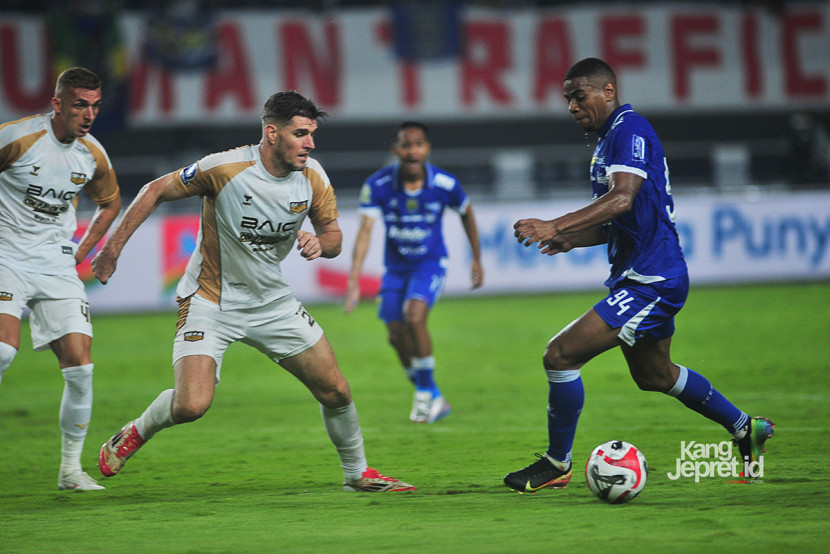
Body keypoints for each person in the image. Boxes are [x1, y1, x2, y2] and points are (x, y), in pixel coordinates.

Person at [91, 91, 414, 492]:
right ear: (272, 133)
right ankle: (136, 431)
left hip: (272, 303)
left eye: (312, 134)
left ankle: (357, 474)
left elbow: (334, 237)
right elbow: (155, 190)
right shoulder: (224, 168)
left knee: (335, 390)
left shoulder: (313, 176)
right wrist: (112, 250)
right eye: (301, 134)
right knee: (192, 405)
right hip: (210, 300)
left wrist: (321, 243)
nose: (310, 143)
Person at [503, 58, 774, 493]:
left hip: (652, 278)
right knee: (656, 376)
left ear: (608, 91)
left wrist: (557, 224)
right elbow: (618, 219)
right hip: (644, 275)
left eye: (579, 95)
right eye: (568, 99)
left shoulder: (629, 129)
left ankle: (557, 463)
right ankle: (747, 428)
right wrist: (574, 238)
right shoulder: (608, 141)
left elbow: (622, 198)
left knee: (559, 355)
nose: (572, 106)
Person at [0, 67, 122, 491]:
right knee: (1, 351)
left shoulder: (92, 153)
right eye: (79, 105)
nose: (88, 115)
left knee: (81, 367)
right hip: (5, 257)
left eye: (94, 106)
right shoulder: (16, 138)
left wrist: (80, 253)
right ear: (57, 104)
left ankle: (71, 471)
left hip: (55, 264)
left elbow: (109, 203)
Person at [344, 121, 483, 423]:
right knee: (396, 336)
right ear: (396, 149)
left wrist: (476, 258)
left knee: (414, 315)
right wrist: (354, 278)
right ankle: (432, 393)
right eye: (406, 145)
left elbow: (467, 214)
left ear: (427, 148)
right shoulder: (378, 185)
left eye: (418, 144)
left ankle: (423, 395)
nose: (412, 150)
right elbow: (365, 232)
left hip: (430, 264)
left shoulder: (445, 184)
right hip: (395, 269)